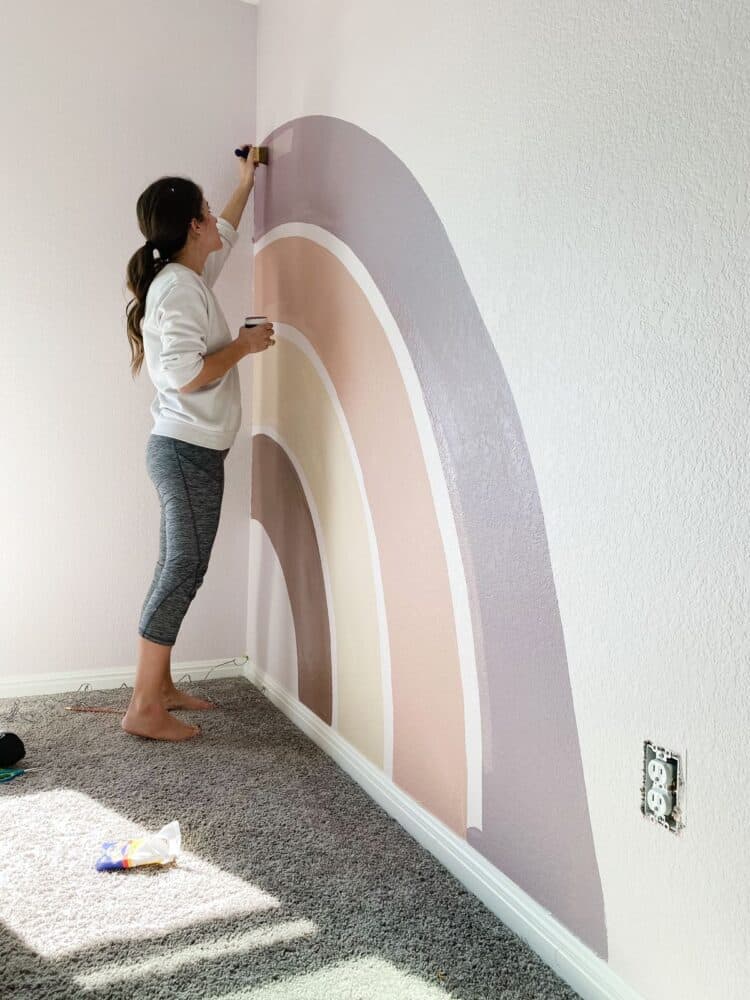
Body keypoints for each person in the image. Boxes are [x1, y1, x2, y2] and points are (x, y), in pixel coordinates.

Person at [122, 145, 275, 741]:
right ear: (191, 225)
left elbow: (228, 235)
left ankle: (158, 687)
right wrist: (245, 346)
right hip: (185, 450)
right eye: (207, 212)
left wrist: (246, 181)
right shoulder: (180, 289)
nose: (215, 219)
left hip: (191, 449)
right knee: (184, 565)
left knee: (178, 563)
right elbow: (184, 373)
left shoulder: (184, 278)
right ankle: (143, 706)